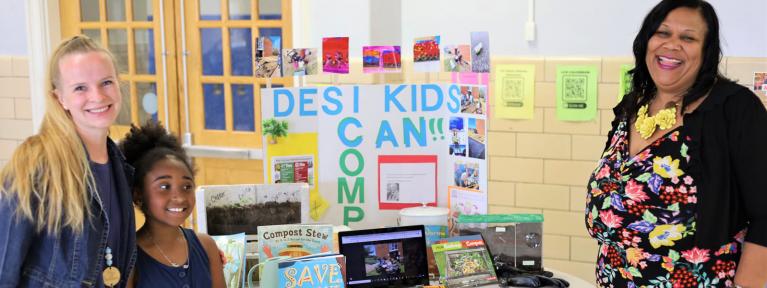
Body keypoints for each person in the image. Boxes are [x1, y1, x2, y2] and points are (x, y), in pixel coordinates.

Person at [585, 1, 767, 287]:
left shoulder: (734, 108)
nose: (672, 45)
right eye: (662, 33)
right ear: (646, 41)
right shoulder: (632, 107)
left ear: (706, 51)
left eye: (688, 37)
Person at [0, 35, 135, 287]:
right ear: (59, 97)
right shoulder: (35, 165)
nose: (97, 96)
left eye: (106, 82)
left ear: (119, 85)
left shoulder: (122, 166)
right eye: (80, 88)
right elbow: (3, 268)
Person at [119, 121, 225, 287]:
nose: (179, 197)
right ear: (138, 194)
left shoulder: (206, 246)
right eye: (164, 186)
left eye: (186, 186)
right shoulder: (129, 258)